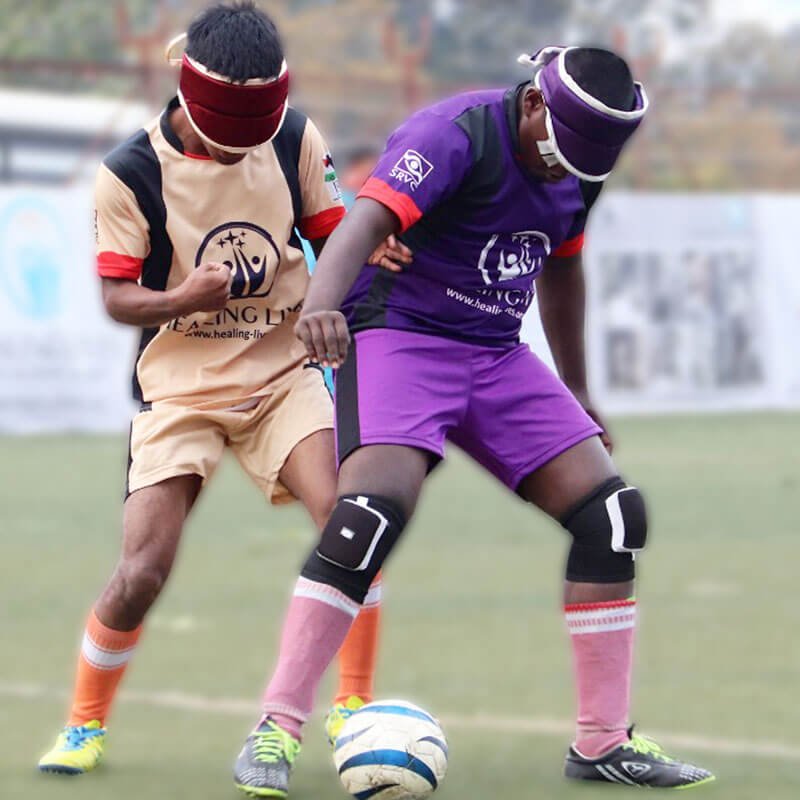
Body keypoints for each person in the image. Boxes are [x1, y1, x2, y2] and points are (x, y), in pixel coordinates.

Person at [233, 46, 716, 795]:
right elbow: (365, 221)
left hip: (494, 353)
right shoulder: (454, 132)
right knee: (366, 517)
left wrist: (578, 389)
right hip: (401, 334)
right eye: (561, 151)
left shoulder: (578, 166)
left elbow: (561, 266)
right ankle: (276, 728)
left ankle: (602, 742)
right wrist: (323, 305)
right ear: (532, 106)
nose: (567, 170)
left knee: (613, 517)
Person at [37, 1, 409, 778]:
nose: (245, 148)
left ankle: (350, 706)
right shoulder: (128, 174)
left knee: (352, 527)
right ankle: (84, 724)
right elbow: (117, 299)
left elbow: (335, 230)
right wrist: (180, 299)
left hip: (282, 375)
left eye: (257, 132)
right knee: (142, 571)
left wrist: (376, 253)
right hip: (180, 390)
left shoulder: (294, 136)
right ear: (189, 95)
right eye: (227, 135)